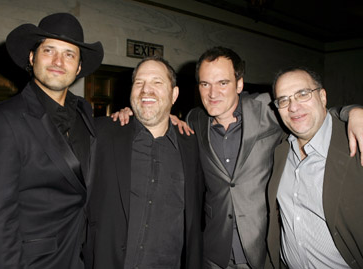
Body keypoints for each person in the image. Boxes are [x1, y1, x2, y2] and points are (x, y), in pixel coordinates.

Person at [114, 46, 363, 269]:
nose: (212, 93)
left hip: (261, 251)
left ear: (239, 84)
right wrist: (133, 113)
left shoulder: (268, 109)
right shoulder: (194, 120)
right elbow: (157, 116)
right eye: (204, 84)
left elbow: (306, 114)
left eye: (222, 83)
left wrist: (353, 112)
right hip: (213, 253)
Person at [0, 13, 103, 268]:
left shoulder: (84, 113)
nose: (58, 61)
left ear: (78, 67)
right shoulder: (0, 121)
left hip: (76, 258)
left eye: (69, 54)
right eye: (49, 50)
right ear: (32, 58)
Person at [84, 56, 204, 269]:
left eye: (157, 82)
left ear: (174, 94)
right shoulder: (101, 133)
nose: (146, 90)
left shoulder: (192, 145)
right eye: (139, 83)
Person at [265, 67, 363, 268]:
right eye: (284, 100)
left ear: (322, 96)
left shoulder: (356, 144)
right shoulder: (280, 149)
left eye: (302, 94)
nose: (293, 107)